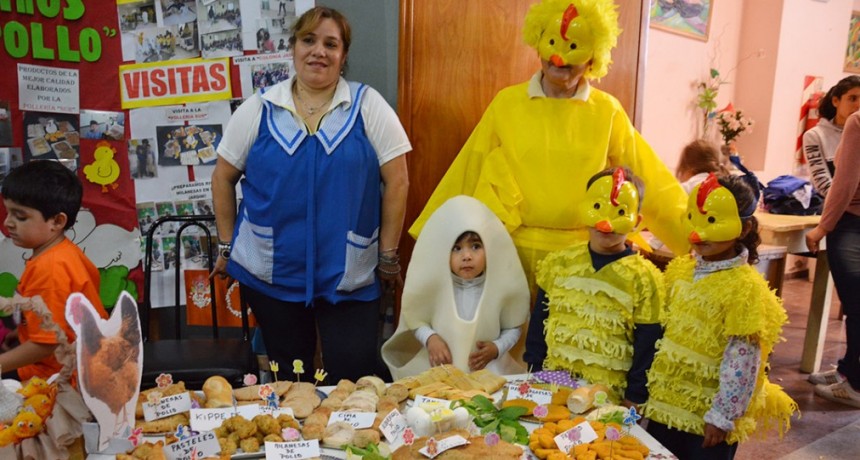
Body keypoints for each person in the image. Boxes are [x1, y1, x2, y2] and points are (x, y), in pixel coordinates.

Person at [408, 0, 688, 296]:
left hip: (581, 257)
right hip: (511, 252)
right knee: (511, 338)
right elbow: (469, 166)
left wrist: (693, 236)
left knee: (567, 338)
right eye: (552, 44)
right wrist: (432, 233)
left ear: (594, 56)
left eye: (573, 49)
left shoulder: (608, 111)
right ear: (538, 43)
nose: (558, 58)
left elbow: (649, 178)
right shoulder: (507, 103)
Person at [211, 7, 411, 383]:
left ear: (343, 55)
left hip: (348, 272)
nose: (319, 51)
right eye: (309, 40)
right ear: (293, 48)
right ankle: (292, 441)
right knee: (290, 376)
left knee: (353, 373)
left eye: (330, 44)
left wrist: (388, 255)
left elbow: (398, 181)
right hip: (272, 271)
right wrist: (227, 244)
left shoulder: (369, 107)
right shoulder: (260, 108)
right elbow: (222, 177)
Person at [645, 174, 797, 459]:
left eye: (712, 221)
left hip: (707, 419)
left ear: (745, 227)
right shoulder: (680, 270)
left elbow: (743, 358)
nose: (697, 233)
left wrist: (723, 415)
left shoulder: (745, 288)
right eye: (693, 217)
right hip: (664, 404)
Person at [524, 167, 664, 408]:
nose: (606, 224)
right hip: (552, 386)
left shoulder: (644, 278)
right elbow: (539, 322)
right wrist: (534, 370)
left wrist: (636, 396)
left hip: (607, 397)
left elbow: (648, 343)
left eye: (620, 212)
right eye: (598, 208)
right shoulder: (558, 263)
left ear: (636, 222)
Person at [381, 196, 529, 379]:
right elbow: (416, 319)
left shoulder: (501, 287)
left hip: (489, 372)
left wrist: (497, 348)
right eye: (457, 248)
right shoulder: (434, 286)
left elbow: (513, 326)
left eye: (475, 246)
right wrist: (431, 339)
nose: (467, 256)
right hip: (440, 372)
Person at [0, 160, 108, 381]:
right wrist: (22, 332)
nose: (8, 223)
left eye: (20, 216)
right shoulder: (63, 253)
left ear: (57, 221)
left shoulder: (49, 268)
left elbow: (45, 345)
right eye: (8, 213)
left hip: (59, 377)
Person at [805, 111, 860, 408]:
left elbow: (845, 181)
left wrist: (823, 227)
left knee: (857, 308)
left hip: (853, 222)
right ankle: (847, 371)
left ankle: (854, 385)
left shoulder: (858, 121)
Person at [803, 76, 860, 197]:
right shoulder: (814, 136)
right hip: (830, 203)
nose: (858, 105)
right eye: (852, 98)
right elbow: (822, 181)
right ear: (836, 101)